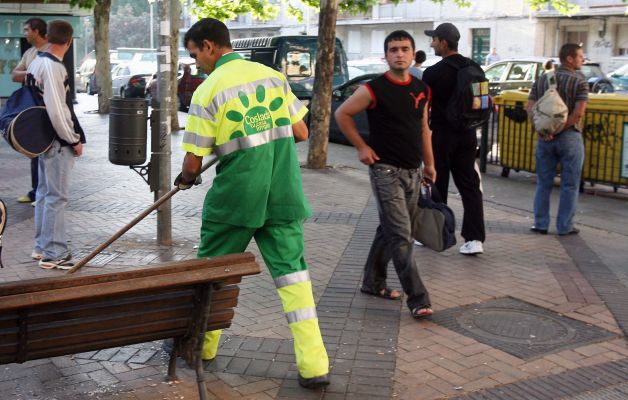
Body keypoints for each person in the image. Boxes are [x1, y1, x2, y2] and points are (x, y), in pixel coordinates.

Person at [176, 18, 329, 389]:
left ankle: (201, 347)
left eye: (195, 53)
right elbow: (301, 131)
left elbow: (193, 161)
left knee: (212, 272)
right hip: (282, 193)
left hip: (236, 200)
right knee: (294, 278)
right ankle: (314, 365)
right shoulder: (271, 76)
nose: (196, 62)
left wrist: (186, 177)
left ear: (209, 46)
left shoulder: (207, 90)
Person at [334, 30, 435, 320]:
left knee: (390, 229)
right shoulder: (374, 88)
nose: (399, 54)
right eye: (393, 49)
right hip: (385, 171)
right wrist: (362, 147)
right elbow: (342, 114)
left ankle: (373, 282)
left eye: (404, 49)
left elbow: (424, 129)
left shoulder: (422, 89)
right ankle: (418, 298)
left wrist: (430, 165)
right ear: (386, 55)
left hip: (413, 171)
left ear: (413, 54)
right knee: (401, 235)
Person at [423, 23, 486, 255]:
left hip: (441, 134)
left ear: (444, 43)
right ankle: (474, 239)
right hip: (468, 134)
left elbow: (423, 110)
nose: (432, 44)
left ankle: (438, 233)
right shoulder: (474, 67)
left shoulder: (432, 73)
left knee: (437, 184)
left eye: (434, 40)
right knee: (469, 186)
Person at [28, 20, 85, 269]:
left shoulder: (37, 61)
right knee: (56, 197)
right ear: (69, 41)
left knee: (44, 193)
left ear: (48, 37)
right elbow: (58, 109)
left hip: (42, 138)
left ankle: (42, 246)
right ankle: (54, 253)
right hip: (56, 141)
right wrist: (73, 138)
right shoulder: (53, 67)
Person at [527, 43, 588, 236]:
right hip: (570, 137)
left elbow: (530, 107)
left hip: (544, 137)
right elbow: (579, 113)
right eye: (580, 56)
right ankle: (565, 226)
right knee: (570, 184)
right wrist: (561, 129)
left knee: (543, 182)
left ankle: (540, 223)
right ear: (569, 58)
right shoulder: (580, 81)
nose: (582, 59)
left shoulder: (543, 79)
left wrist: (543, 129)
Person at [13, 18, 49, 206]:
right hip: (32, 107)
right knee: (35, 150)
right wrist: (31, 73)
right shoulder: (30, 53)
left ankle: (44, 193)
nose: (24, 33)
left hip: (47, 108)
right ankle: (36, 191)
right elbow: (14, 75)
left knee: (48, 153)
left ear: (36, 31)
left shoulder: (51, 51)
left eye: (27, 29)